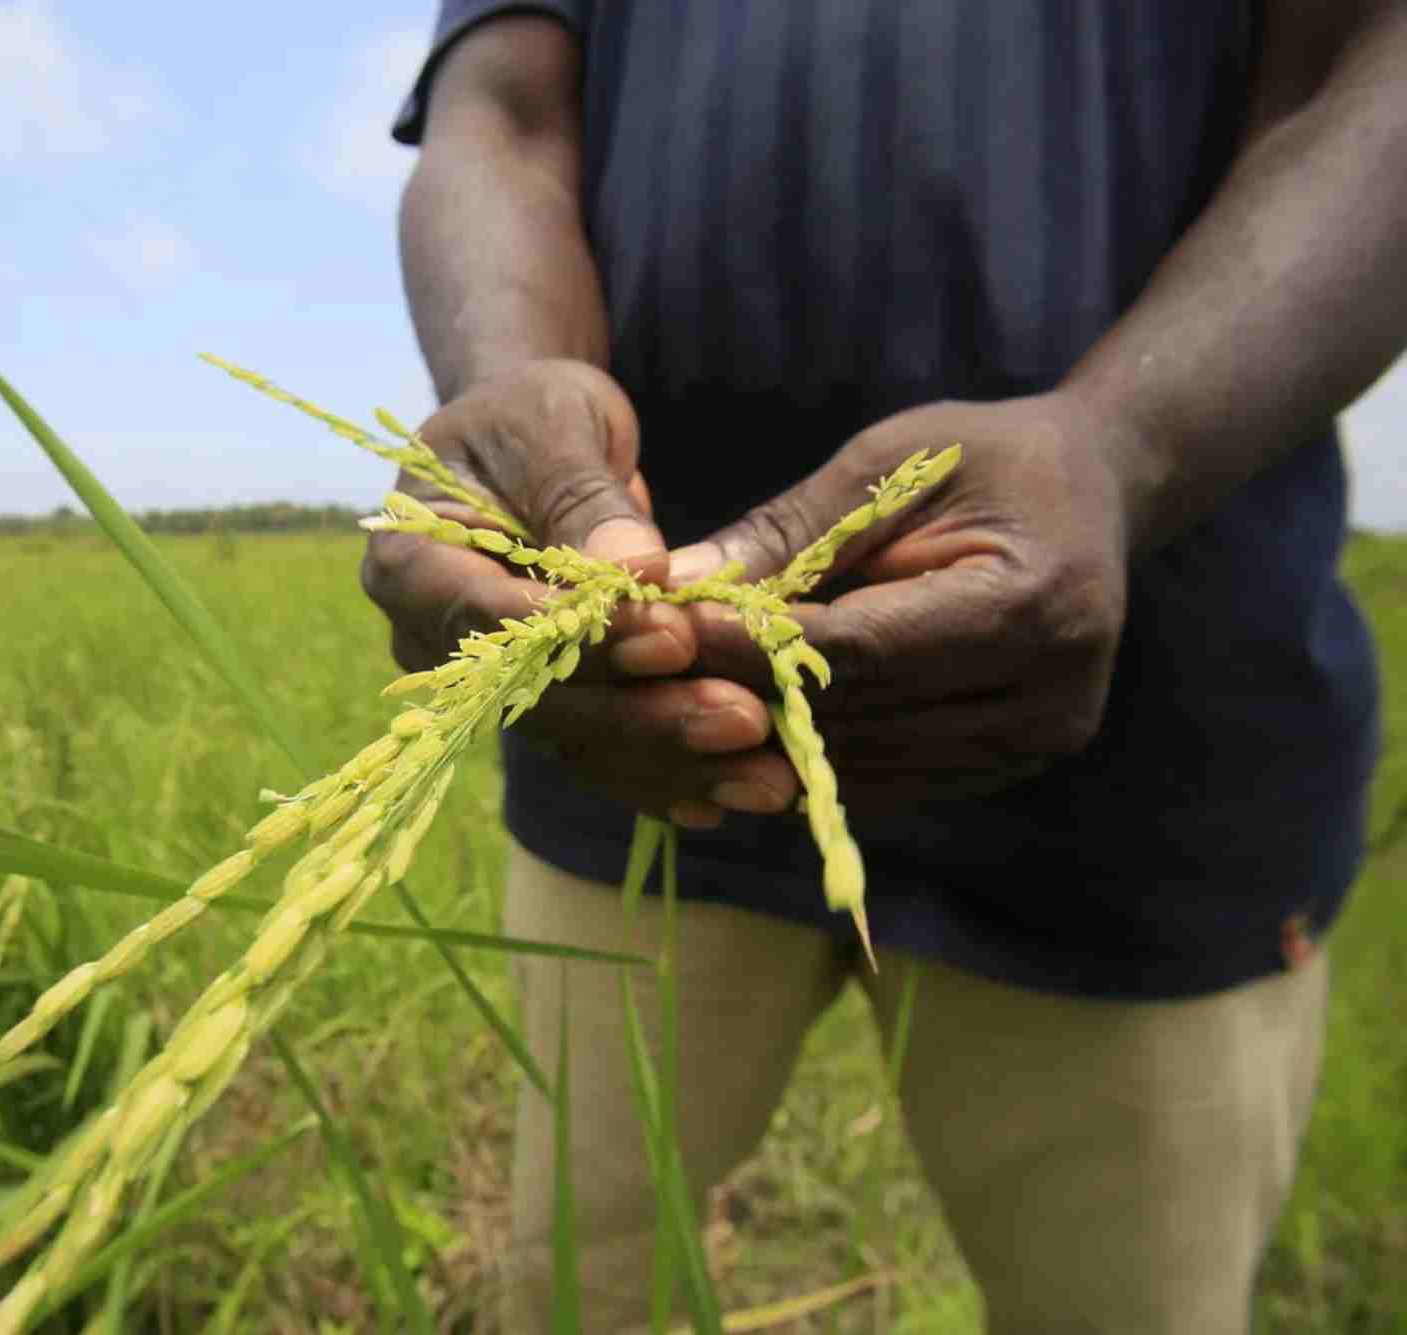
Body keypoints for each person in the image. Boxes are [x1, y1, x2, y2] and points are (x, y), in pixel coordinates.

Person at [368, 2, 1407, 1331]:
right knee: (578, 1284)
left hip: (1152, 748)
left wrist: (1128, 444)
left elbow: (1374, 65)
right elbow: (502, 106)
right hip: (635, 737)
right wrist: (508, 383)